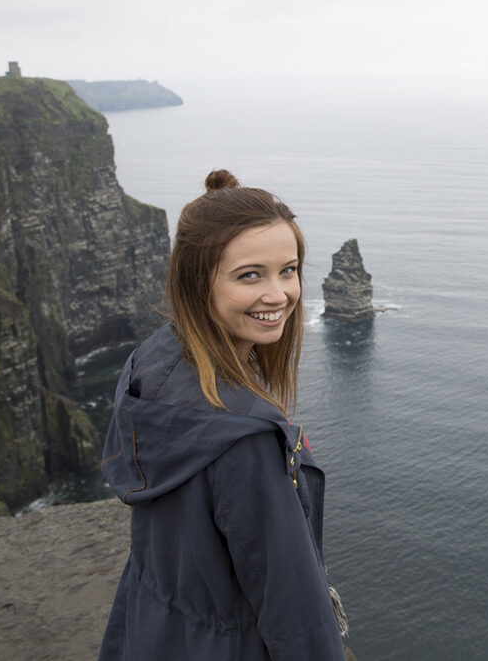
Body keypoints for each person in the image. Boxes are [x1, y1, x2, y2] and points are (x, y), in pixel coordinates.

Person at [98, 170, 347, 660]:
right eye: (249, 275)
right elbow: (295, 612)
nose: (278, 295)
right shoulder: (246, 439)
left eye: (289, 270)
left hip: (154, 630)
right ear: (197, 282)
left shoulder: (150, 365)